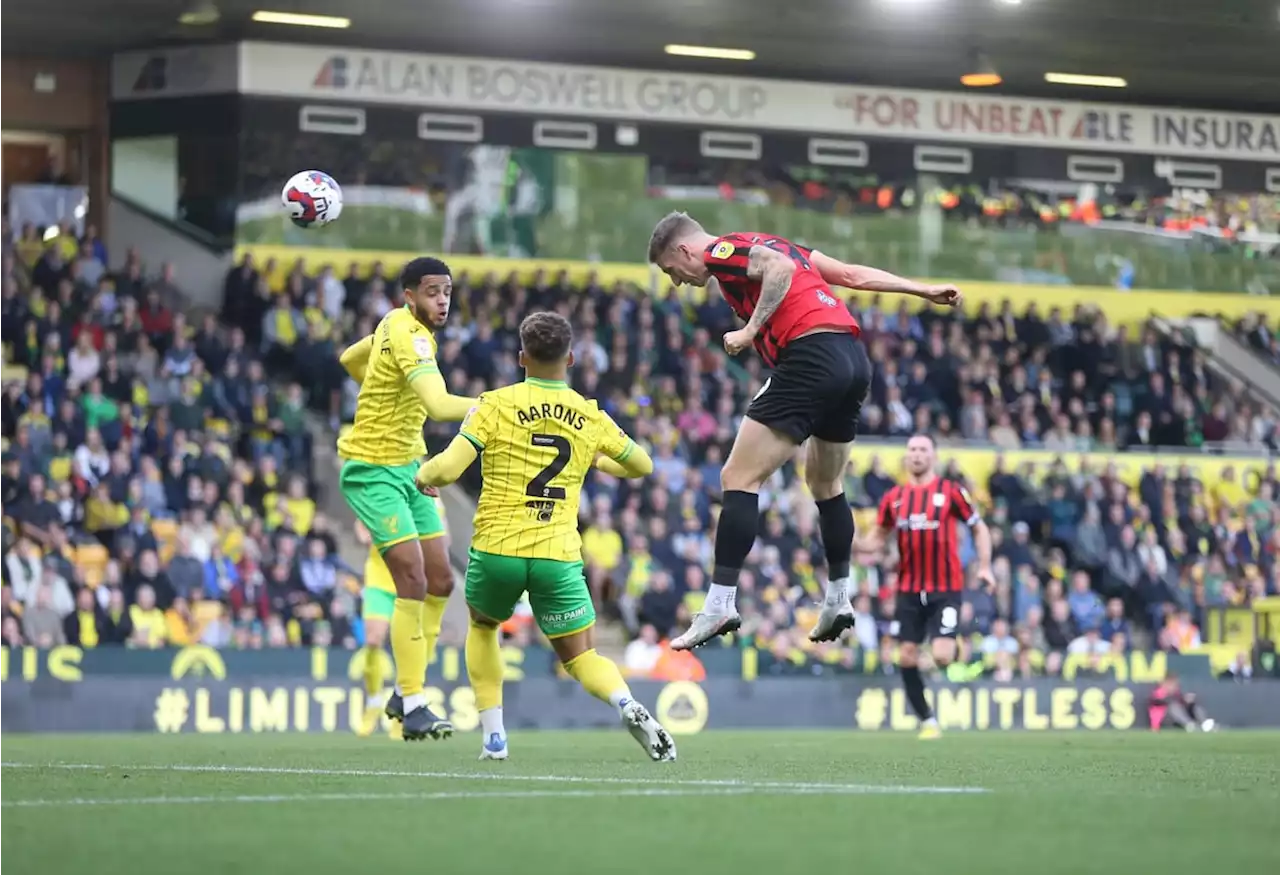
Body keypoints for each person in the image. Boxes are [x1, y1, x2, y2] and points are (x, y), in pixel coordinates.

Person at [646, 212, 962, 649]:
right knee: (825, 482)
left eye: (670, 270)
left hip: (810, 356)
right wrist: (921, 289)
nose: (677, 281)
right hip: (852, 360)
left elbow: (780, 271)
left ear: (684, 250)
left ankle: (719, 603)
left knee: (738, 478)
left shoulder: (722, 253)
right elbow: (850, 275)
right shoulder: (779, 241)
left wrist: (750, 330)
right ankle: (837, 597)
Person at [415, 312, 675, 762]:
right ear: (571, 358)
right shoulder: (589, 415)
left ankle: (494, 737)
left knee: (483, 627)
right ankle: (626, 703)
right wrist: (596, 460)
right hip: (557, 554)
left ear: (521, 358)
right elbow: (642, 466)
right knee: (580, 658)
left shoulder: (495, 404)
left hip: (498, 548)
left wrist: (423, 475)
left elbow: (448, 467)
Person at [336, 256, 476, 742]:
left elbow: (350, 360)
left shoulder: (394, 330)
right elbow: (439, 406)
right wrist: (500, 404)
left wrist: (381, 393)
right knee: (412, 577)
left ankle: (404, 692)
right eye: (433, 292)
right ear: (409, 295)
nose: (442, 301)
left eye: (448, 292)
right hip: (372, 472)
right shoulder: (411, 334)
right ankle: (412, 698)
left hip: (411, 467)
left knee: (441, 580)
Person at [860, 434, 994, 739]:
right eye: (912, 450)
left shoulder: (951, 492)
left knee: (943, 656)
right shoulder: (894, 498)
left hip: (945, 588)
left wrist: (985, 565)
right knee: (906, 656)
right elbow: (875, 540)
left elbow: (979, 527)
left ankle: (957, 644)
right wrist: (852, 542)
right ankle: (927, 720)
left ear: (933, 456)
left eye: (923, 449)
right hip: (908, 590)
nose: (917, 454)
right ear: (906, 457)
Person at [1148, 673, 1216, 732]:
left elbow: (1182, 701)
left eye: (1175, 684)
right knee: (1173, 706)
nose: (1174, 686)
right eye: (1171, 684)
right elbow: (1160, 701)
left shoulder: (1177, 693)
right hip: (1163, 720)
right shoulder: (1159, 692)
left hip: (1177, 719)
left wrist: (1187, 700)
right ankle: (1189, 724)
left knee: (1194, 706)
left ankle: (1204, 723)